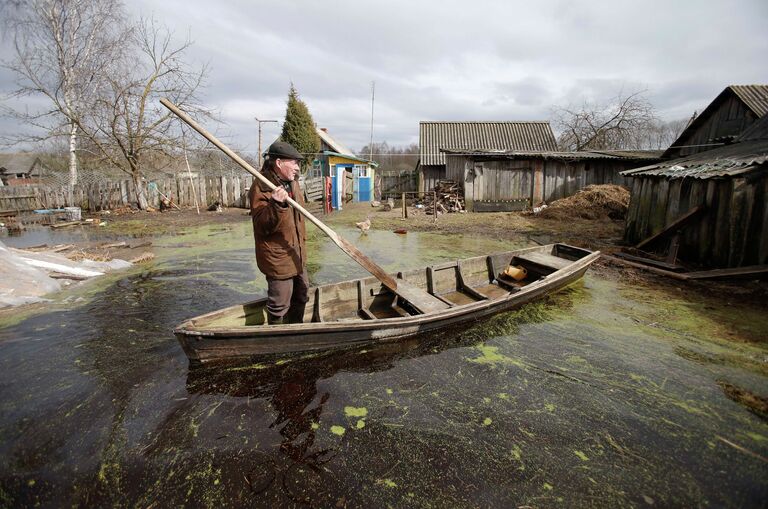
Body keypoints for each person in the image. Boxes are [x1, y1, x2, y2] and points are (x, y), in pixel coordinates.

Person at [249, 141, 309, 325]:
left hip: (297, 252)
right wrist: (276, 205)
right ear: (279, 163)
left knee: (302, 295)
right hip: (278, 257)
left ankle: (295, 330)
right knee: (279, 304)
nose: (297, 167)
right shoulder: (262, 187)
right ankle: (276, 337)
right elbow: (262, 225)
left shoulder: (293, 183)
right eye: (294, 162)